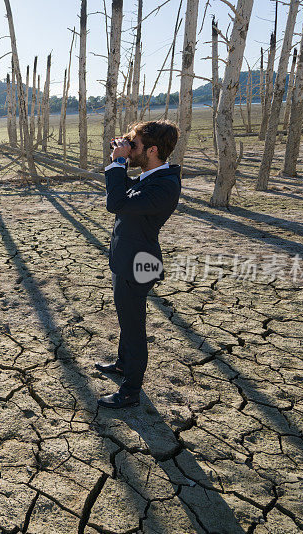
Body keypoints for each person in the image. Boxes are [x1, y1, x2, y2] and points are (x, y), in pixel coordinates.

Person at [95, 120, 181, 409]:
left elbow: (116, 203)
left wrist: (119, 162)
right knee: (126, 319)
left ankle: (130, 391)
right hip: (128, 260)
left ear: (153, 150)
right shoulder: (150, 177)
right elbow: (122, 191)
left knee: (134, 328)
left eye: (134, 145)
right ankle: (123, 365)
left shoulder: (165, 186)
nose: (128, 149)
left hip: (139, 264)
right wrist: (118, 161)